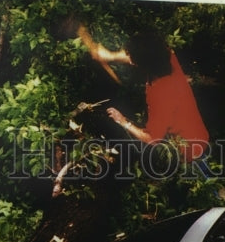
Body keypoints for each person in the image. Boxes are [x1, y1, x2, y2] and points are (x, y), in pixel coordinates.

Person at [88, 30, 210, 164]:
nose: (129, 60)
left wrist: (123, 121)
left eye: (132, 58)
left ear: (139, 64)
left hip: (191, 155)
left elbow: (152, 138)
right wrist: (109, 56)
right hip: (200, 137)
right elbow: (141, 54)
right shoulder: (167, 58)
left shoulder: (160, 95)